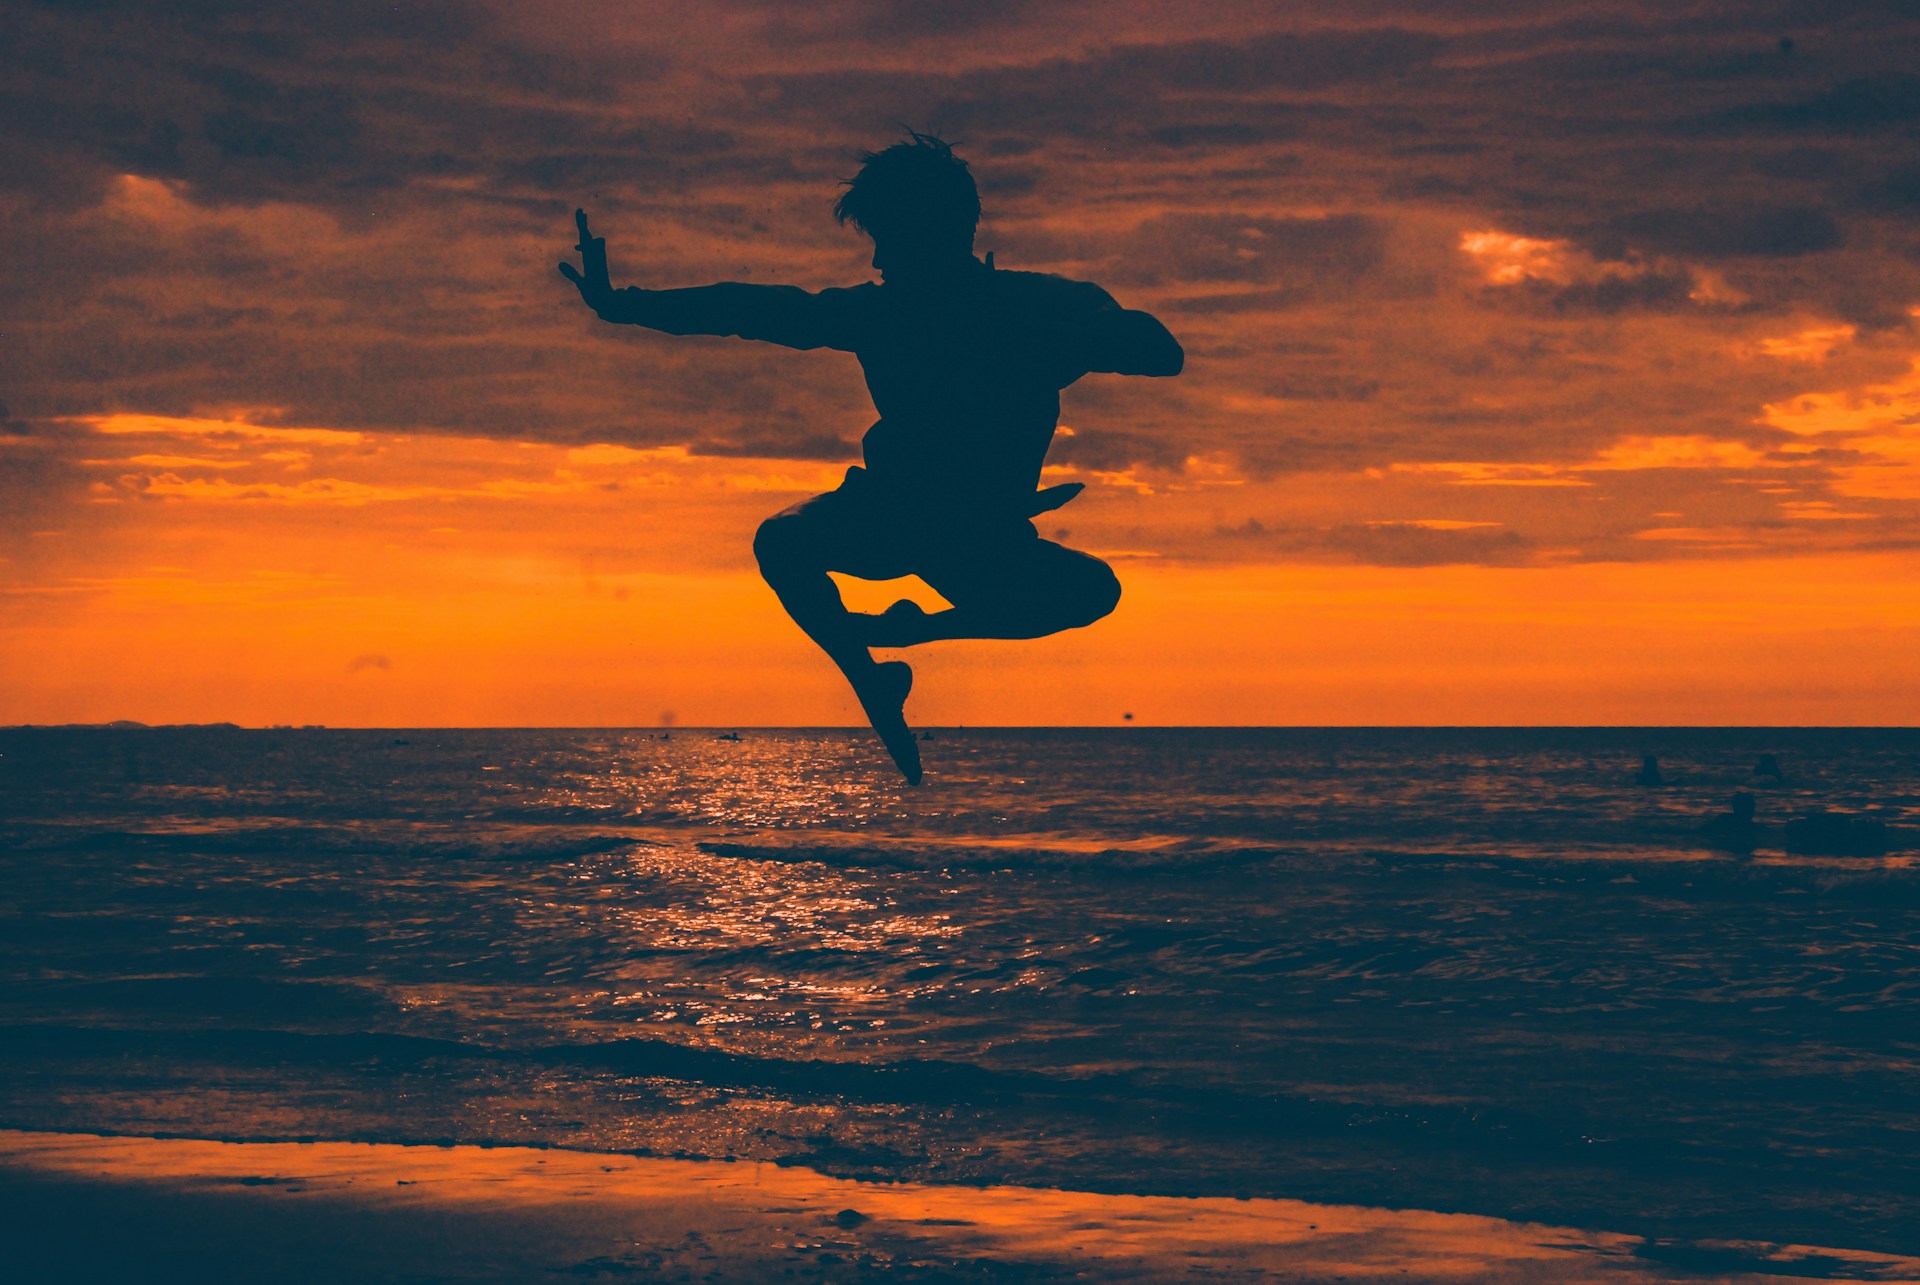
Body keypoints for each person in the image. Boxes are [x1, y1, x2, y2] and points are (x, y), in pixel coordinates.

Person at [559, 133, 1184, 782]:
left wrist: (1091, 337)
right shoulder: (879, 314)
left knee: (1094, 589)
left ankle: (919, 632)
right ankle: (871, 677)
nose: (880, 258)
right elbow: (752, 309)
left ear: (938, 234)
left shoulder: (1032, 304)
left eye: (891, 239)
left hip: (977, 538)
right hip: (888, 514)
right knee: (781, 540)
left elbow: (1158, 350)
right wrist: (623, 304)